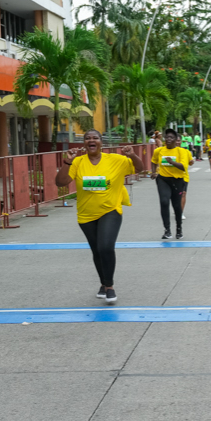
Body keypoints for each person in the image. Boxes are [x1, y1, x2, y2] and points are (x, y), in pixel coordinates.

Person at [56, 130, 143, 304]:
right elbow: (61, 182)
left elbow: (140, 169)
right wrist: (67, 161)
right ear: (84, 144)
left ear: (101, 142)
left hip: (110, 210)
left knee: (105, 247)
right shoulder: (78, 162)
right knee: (96, 250)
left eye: (95, 138)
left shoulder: (115, 160)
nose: (91, 140)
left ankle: (109, 287)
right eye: (87, 138)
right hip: (86, 214)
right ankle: (103, 284)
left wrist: (132, 155)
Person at [150, 129, 193, 240]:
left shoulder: (182, 152)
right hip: (163, 179)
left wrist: (172, 162)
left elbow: (184, 167)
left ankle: (179, 229)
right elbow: (154, 161)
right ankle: (167, 230)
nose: (169, 139)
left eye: (172, 138)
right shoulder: (159, 151)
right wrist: (154, 172)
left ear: (176, 140)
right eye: (167, 137)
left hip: (177, 181)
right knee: (164, 202)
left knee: (176, 205)